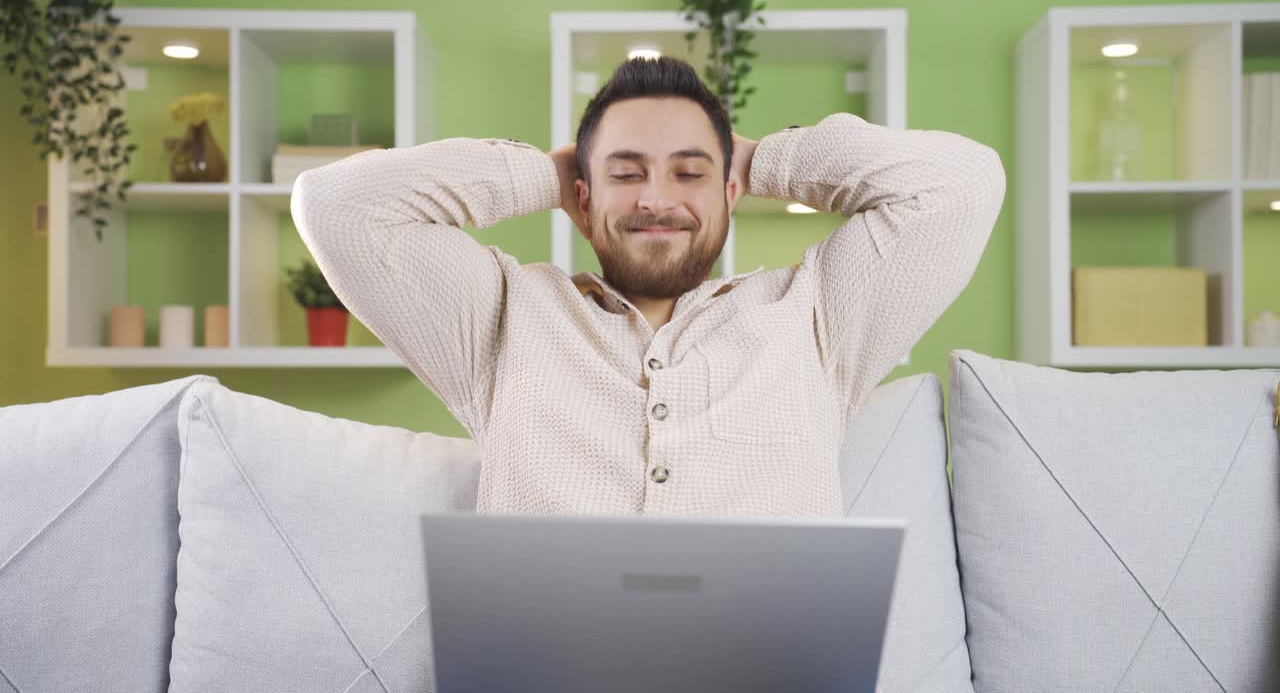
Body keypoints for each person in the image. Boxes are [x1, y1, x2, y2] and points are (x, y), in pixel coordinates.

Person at [291, 56, 1004, 518]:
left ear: (731, 194)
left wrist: (757, 160)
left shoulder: (818, 317)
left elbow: (963, 186)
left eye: (689, 173)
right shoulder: (502, 319)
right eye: (627, 172)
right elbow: (338, 207)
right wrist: (550, 173)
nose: (656, 198)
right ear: (581, 197)